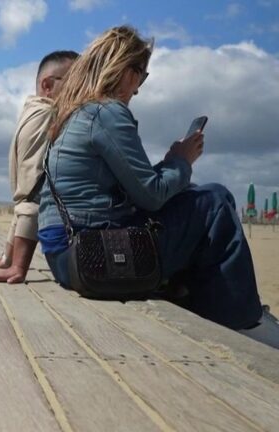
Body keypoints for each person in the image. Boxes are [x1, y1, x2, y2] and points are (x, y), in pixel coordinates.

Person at [37, 25, 279, 348]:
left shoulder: (71, 114)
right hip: (90, 255)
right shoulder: (107, 112)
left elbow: (133, 189)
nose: (139, 87)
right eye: (141, 73)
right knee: (216, 201)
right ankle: (244, 321)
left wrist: (170, 167)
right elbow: (151, 196)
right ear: (123, 69)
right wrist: (182, 160)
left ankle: (206, 302)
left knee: (193, 198)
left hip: (66, 255)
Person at [0, 50, 78, 283]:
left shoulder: (32, 109)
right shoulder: (46, 115)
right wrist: (19, 268)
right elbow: (33, 194)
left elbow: (22, 199)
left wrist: (6, 259)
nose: (82, 86)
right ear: (48, 85)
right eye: (75, 80)